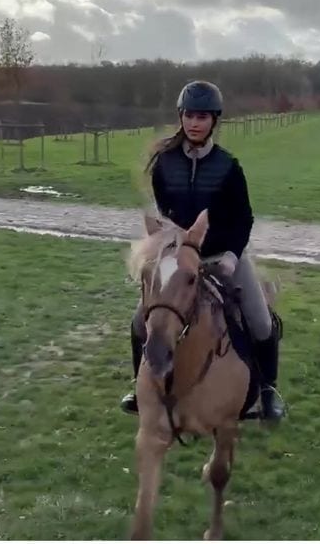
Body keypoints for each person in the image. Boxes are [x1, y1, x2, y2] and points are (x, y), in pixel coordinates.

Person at [120, 80, 285, 421]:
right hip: (181, 259)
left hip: (222, 256)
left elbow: (244, 219)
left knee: (260, 320)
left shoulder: (229, 167)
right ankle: (143, 388)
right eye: (189, 116)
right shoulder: (165, 164)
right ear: (181, 117)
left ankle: (268, 391)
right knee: (140, 322)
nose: (195, 123)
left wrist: (230, 256)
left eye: (203, 117)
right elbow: (164, 212)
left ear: (214, 121)